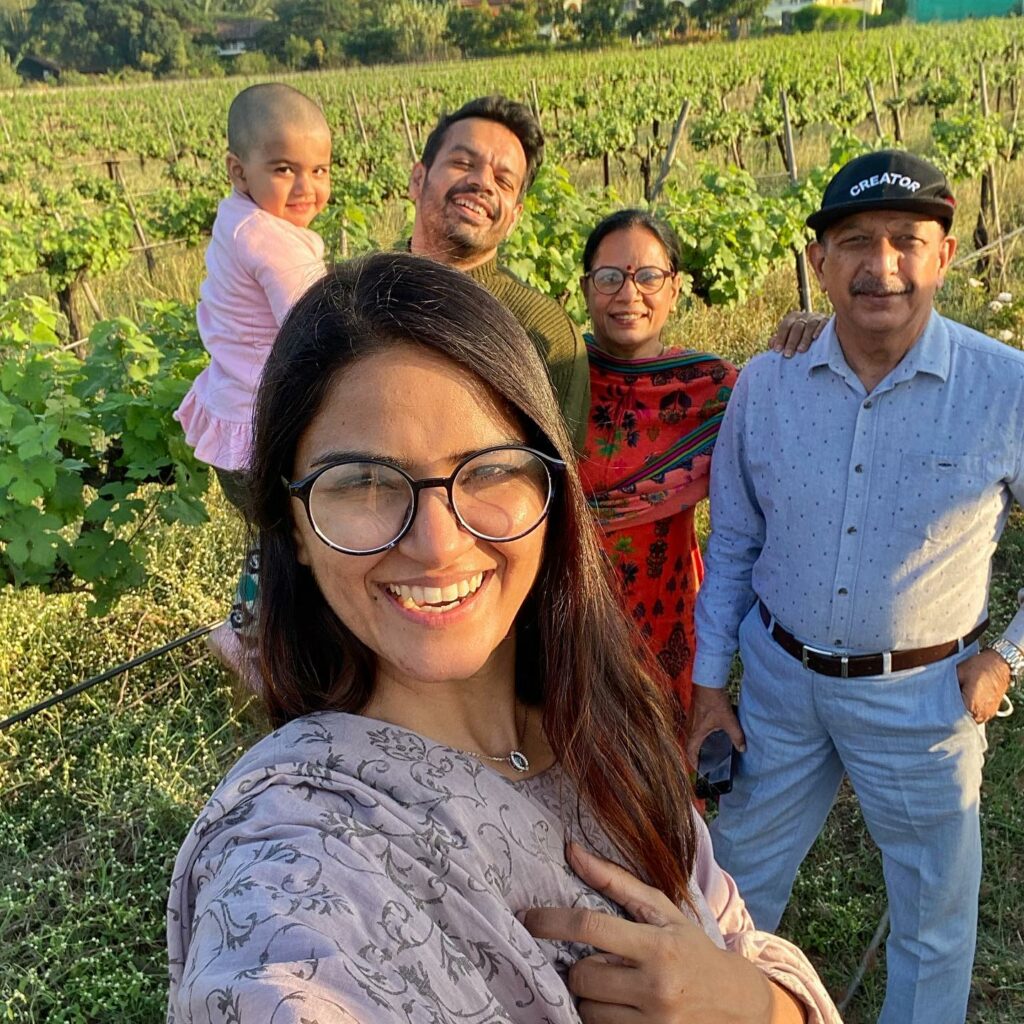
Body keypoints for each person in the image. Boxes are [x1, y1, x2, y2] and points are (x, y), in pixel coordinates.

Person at [166, 252, 840, 1024]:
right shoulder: (295, 851)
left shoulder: (605, 726)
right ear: (295, 527)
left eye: (487, 469)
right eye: (363, 483)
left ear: (551, 488)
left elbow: (735, 931)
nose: (437, 543)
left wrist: (756, 1004)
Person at [687, 150, 1024, 1024]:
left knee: (932, 921)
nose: (883, 266)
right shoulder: (766, 383)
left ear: (944, 255)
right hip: (779, 684)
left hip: (922, 697)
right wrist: (706, 691)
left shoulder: (1006, 388)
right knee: (727, 887)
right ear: (820, 262)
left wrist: (1008, 658)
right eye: (855, 242)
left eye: (907, 241)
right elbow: (733, 545)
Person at [578, 209, 822, 713]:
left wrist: (825, 335)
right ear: (586, 289)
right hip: (562, 611)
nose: (629, 294)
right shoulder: (556, 377)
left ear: (675, 288)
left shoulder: (714, 389)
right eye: (609, 278)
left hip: (663, 614)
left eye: (648, 276)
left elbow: (807, 421)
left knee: (660, 761)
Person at [173, 83, 331, 675]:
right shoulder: (268, 238)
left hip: (234, 417)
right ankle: (255, 644)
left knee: (275, 540)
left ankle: (256, 634)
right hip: (262, 428)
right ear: (239, 170)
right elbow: (315, 326)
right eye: (285, 169)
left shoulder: (239, 218)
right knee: (293, 543)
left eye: (319, 169)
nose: (307, 187)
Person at [409, 94, 590, 450]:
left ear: (514, 218)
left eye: (504, 181)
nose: (483, 183)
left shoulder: (546, 335)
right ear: (418, 179)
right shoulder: (354, 297)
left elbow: (554, 481)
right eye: (463, 162)